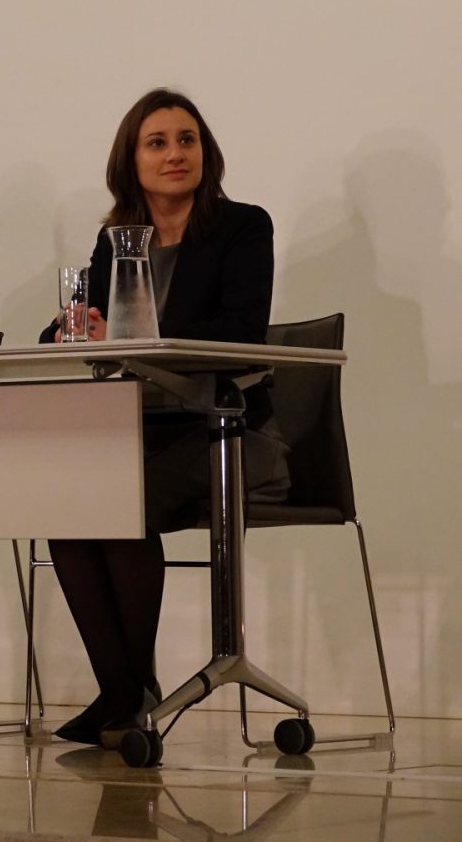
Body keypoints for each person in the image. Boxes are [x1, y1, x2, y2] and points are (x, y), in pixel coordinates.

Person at [40, 87, 289, 745]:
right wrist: (76, 329)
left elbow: (241, 331)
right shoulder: (116, 242)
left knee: (121, 503)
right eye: (158, 142)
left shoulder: (243, 227)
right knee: (66, 509)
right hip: (144, 435)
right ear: (132, 161)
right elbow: (70, 330)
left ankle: (127, 699)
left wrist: (129, 334)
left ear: (206, 153)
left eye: (187, 140)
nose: (175, 153)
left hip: (228, 432)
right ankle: (123, 689)